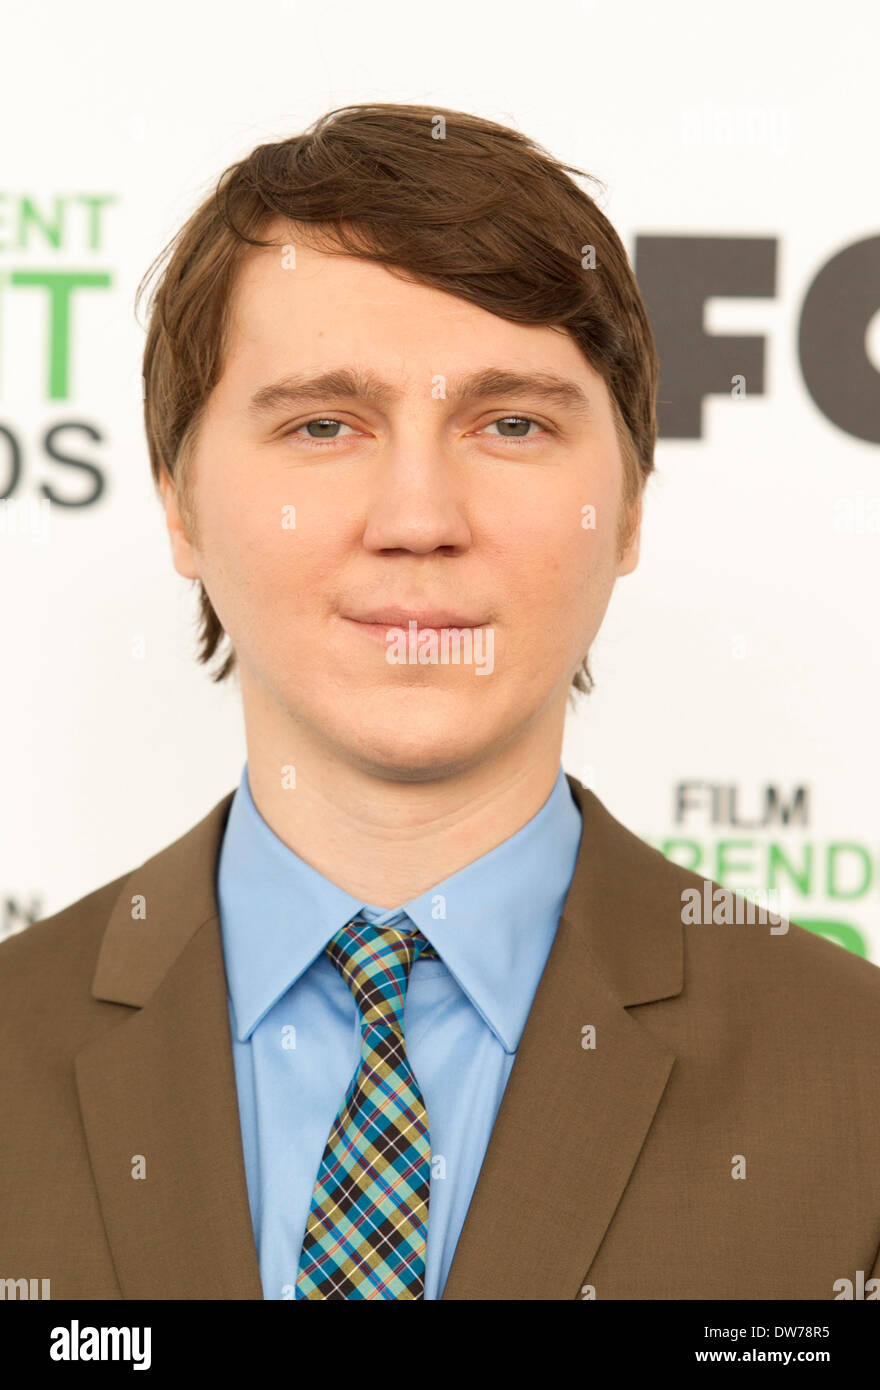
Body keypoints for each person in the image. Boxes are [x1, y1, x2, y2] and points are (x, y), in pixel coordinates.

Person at [2, 103, 878, 1302]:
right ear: (179, 504)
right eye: (324, 424)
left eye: (509, 422)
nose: (418, 518)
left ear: (625, 507)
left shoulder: (856, 1086)